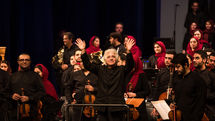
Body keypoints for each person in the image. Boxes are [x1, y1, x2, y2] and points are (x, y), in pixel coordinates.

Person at [76, 38, 135, 121]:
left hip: (117, 107)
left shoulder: (121, 69)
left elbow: (130, 65)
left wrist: (128, 51)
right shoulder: (100, 69)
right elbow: (88, 65)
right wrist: (83, 50)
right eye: (108, 57)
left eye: (113, 56)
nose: (111, 58)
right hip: (102, 106)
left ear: (117, 58)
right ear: (105, 59)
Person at [5, 53, 46, 121]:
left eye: (27, 60)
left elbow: (42, 92)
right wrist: (12, 96)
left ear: (30, 62)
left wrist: (29, 98)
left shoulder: (36, 76)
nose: (24, 61)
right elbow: (5, 92)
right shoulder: (12, 76)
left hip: (31, 112)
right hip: (14, 111)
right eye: (22, 60)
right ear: (18, 62)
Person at [172, 53, 206, 121]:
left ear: (185, 65)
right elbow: (177, 97)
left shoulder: (198, 79)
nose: (175, 69)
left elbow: (201, 103)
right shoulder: (176, 78)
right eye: (175, 67)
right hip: (179, 116)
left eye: (178, 67)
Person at [52, 32, 78, 96]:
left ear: (71, 39)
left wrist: (68, 66)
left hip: (73, 74)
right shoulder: (62, 50)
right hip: (62, 76)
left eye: (66, 39)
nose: (64, 40)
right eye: (63, 39)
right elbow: (54, 62)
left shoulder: (76, 49)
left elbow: (78, 61)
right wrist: (61, 66)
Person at [193, 50, 215, 121]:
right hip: (193, 112)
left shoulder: (211, 76)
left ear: (204, 60)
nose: (194, 60)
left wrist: (203, 96)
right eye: (193, 58)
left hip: (208, 111)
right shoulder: (191, 75)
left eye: (197, 58)